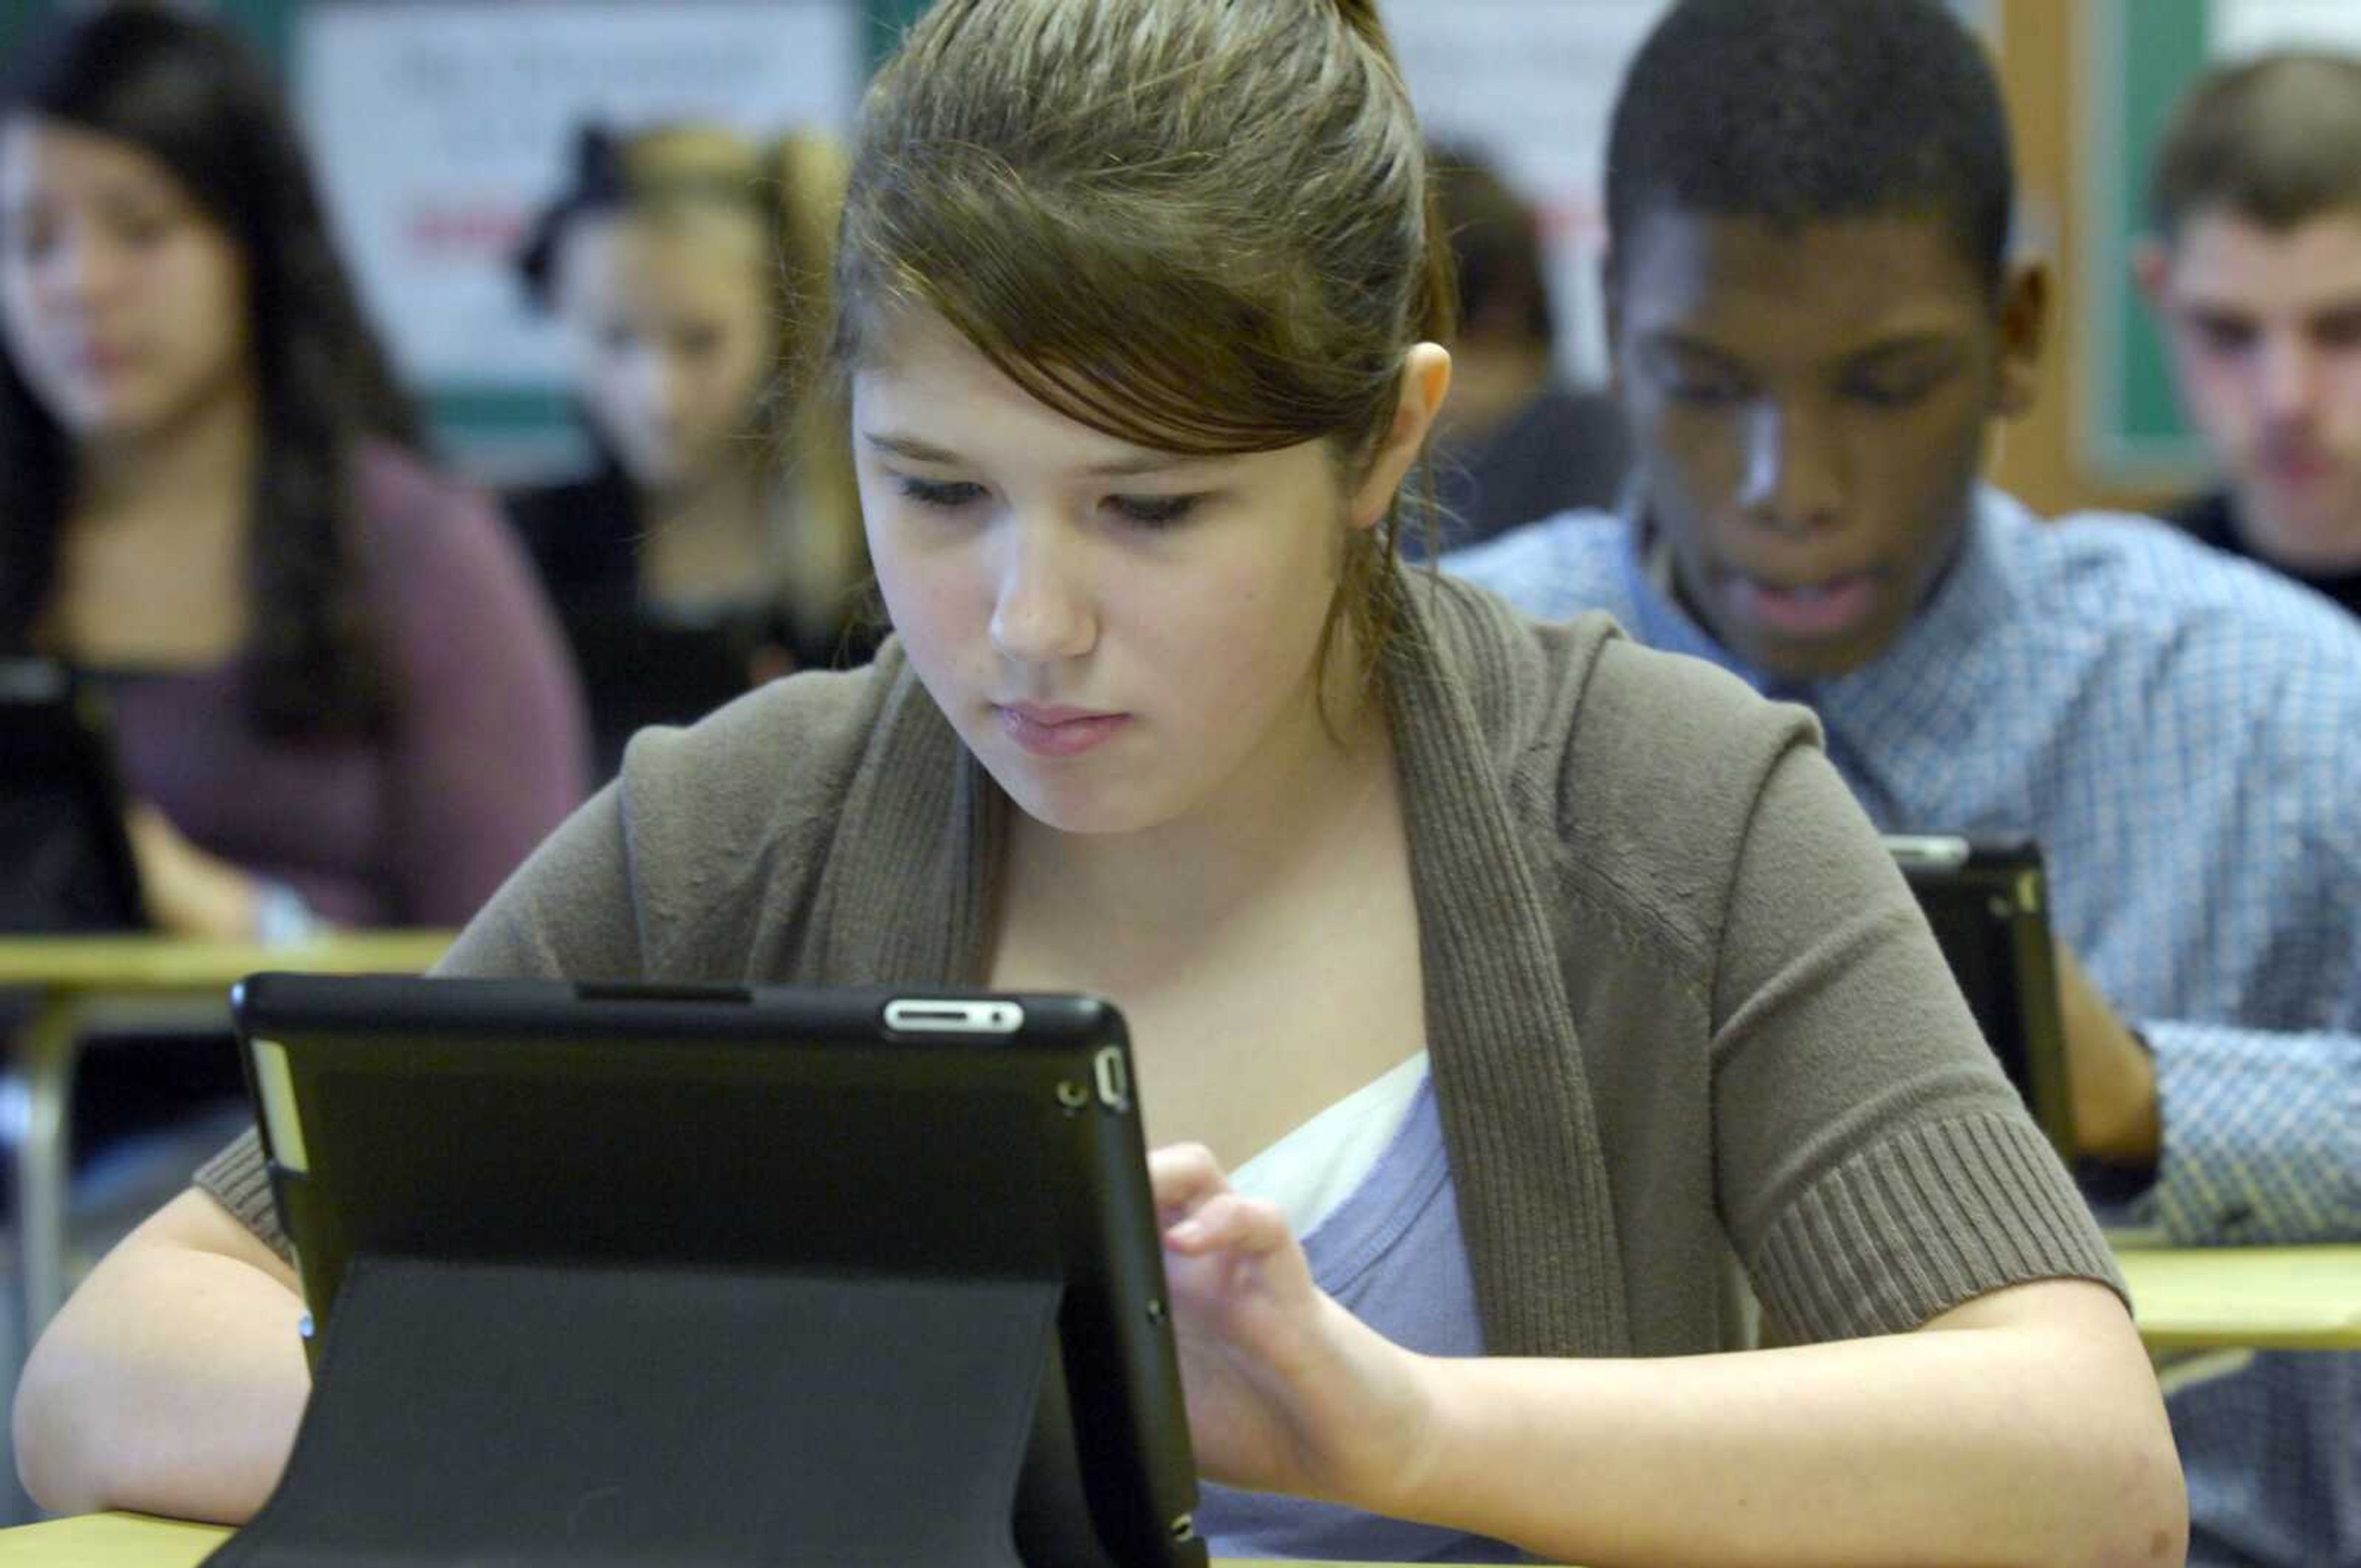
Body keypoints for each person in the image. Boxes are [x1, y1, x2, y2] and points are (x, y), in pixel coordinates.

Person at [15, 2, 2185, 1562]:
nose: (1022, 621)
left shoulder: (1667, 808)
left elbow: (2086, 1467)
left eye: (1152, 511)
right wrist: (819, 1451)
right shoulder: (747, 819)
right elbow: (113, 1366)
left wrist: (1403, 1431)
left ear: (1389, 444)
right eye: (935, 489)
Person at [1444, 2, 2361, 1564]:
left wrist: (2142, 1099)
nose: (1785, 485)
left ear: (2014, 334)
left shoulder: (2279, 706)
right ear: (1613, 319)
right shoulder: (1457, 691)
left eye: (1881, 386)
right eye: (1703, 380)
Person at [0, 2, 588, 939]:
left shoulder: (416, 547)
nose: (80, 284)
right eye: (34, 241)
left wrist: (223, 910)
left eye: (140, 230)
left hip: (294, 1082)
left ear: (256, 248)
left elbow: (518, 970)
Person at [510, 122, 872, 779]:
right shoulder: (517, 559)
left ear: (783, 324)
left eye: (700, 341)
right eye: (614, 339)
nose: (658, 396)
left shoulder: (879, 565)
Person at [2138, 50, 2361, 619]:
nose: (2285, 400)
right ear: (2159, 293)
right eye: (2228, 333)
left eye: (2345, 330)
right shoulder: (2127, 623)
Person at [1420, 141, 1628, 550]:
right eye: (1425, 337)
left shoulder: (1593, 437)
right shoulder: (1352, 447)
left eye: (1482, 339)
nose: (1453, 377)